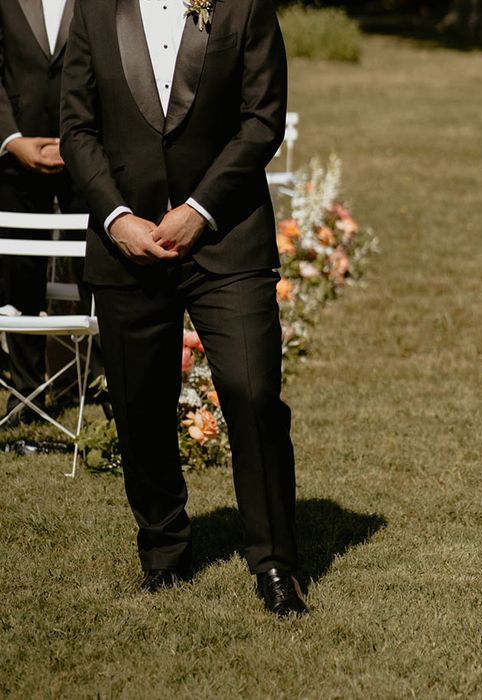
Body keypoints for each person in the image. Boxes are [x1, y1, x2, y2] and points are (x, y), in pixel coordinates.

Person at [60, 0, 307, 616]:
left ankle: (275, 563)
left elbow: (261, 119)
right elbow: (77, 127)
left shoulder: (243, 5)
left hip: (229, 238)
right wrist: (116, 218)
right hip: (128, 245)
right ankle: (164, 552)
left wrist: (199, 210)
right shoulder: (92, 11)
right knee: (140, 404)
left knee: (253, 395)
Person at [0, 0, 80, 427]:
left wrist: (79, 140)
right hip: (14, 158)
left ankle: (106, 391)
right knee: (20, 275)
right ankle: (26, 397)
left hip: (85, 154)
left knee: (97, 272)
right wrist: (12, 139)